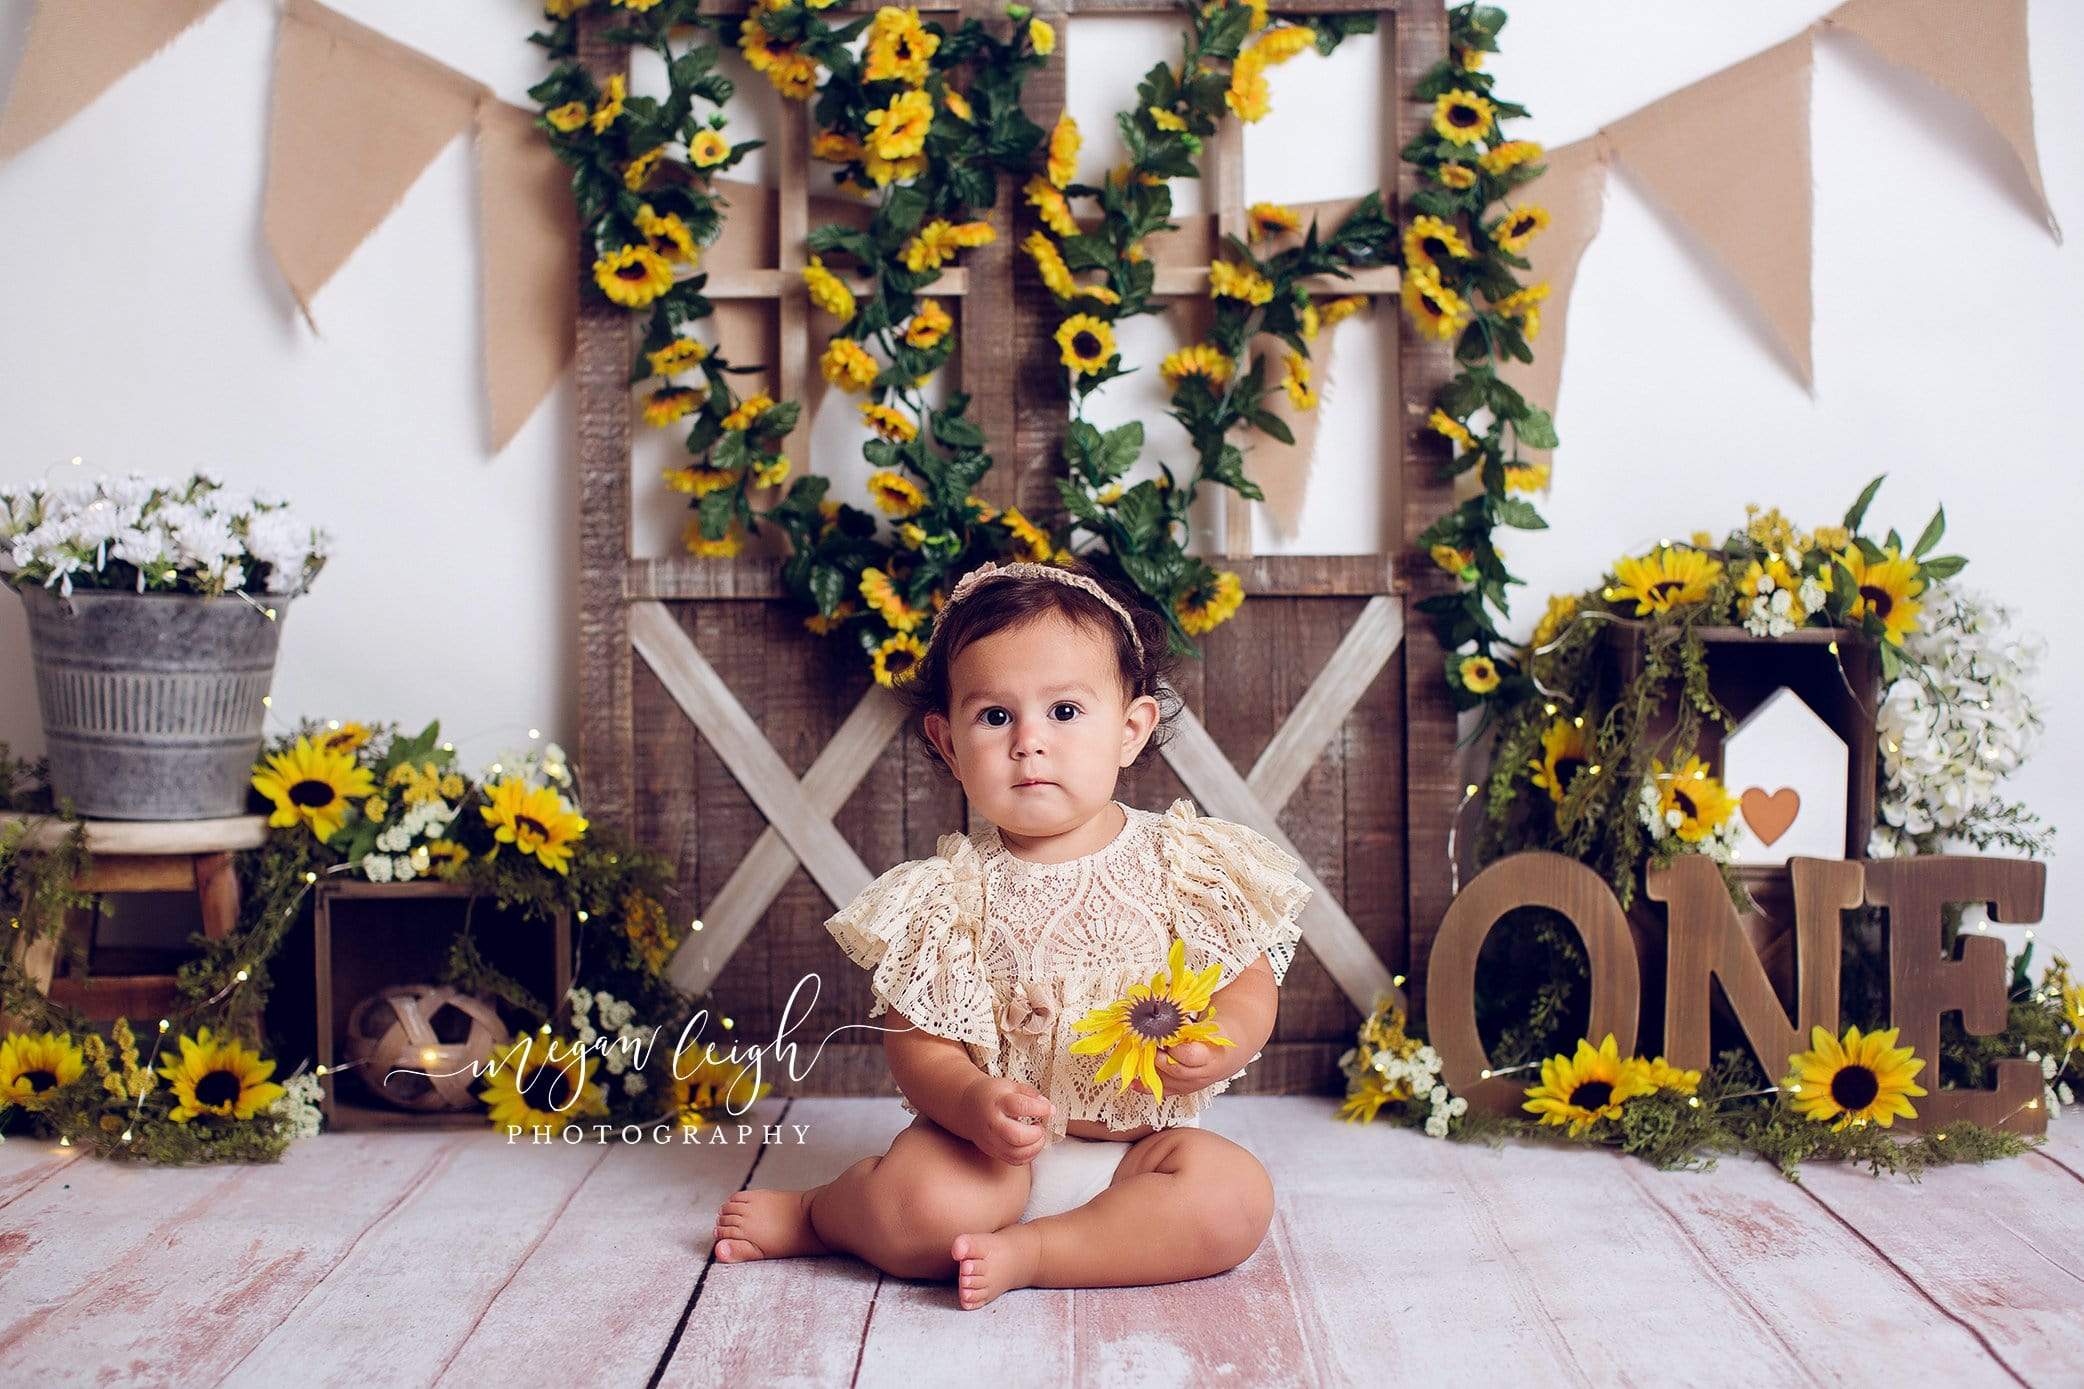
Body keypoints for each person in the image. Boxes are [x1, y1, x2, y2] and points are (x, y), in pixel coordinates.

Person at [709, 557, 1309, 1309]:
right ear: (949, 742)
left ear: (1130, 729)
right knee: (922, 1211)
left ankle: (1039, 1251)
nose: (1030, 741)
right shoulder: (951, 894)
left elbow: (1247, 976)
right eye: (996, 716)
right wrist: (970, 1101)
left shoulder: (1183, 860)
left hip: (1137, 1157)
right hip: (987, 1156)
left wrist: (1223, 1032)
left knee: (1234, 1197)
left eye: (1063, 711)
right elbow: (917, 1040)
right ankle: (823, 1214)